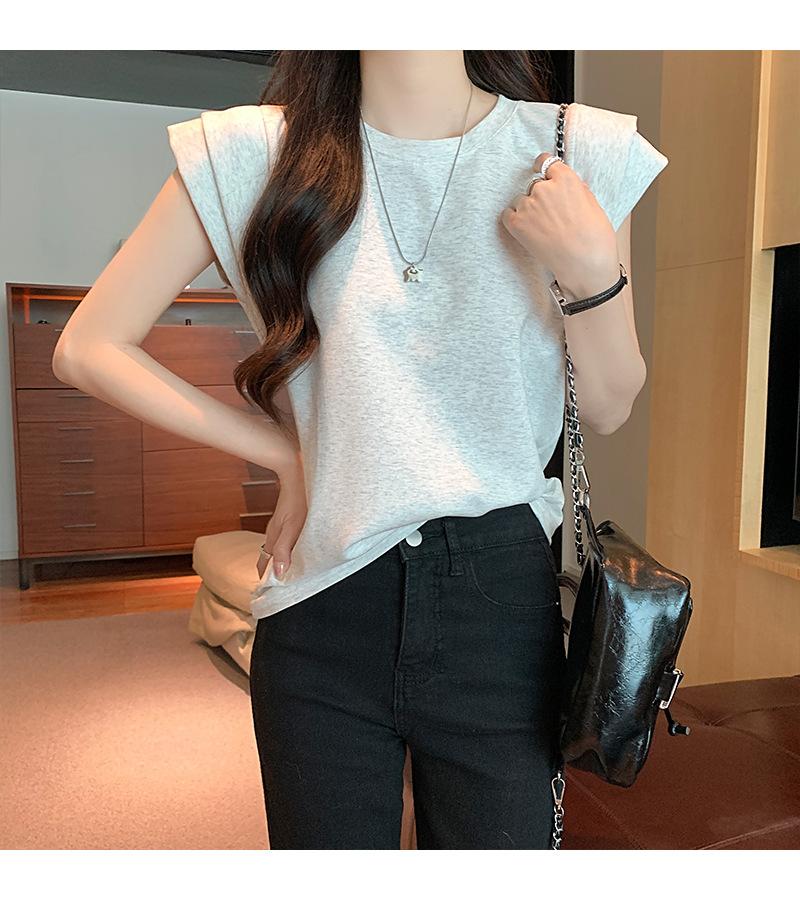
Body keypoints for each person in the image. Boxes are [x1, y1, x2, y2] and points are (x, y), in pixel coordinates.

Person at [52, 50, 668, 849]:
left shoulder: (575, 147)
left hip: (499, 609)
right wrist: (284, 454)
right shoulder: (254, 151)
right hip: (323, 600)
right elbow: (88, 347)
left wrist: (590, 270)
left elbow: (611, 406)